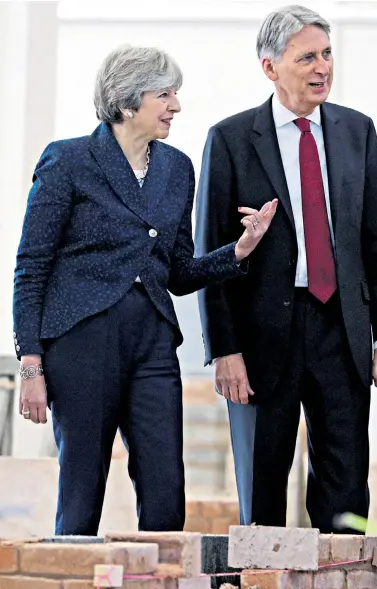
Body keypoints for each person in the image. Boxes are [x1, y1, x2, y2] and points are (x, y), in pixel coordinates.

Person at [12, 45, 277, 536]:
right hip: (80, 342)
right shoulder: (69, 160)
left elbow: (176, 272)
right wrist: (31, 362)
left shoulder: (177, 168)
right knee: (82, 490)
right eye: (165, 95)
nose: (176, 105)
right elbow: (31, 267)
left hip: (152, 341)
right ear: (128, 103)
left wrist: (237, 252)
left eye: (175, 94)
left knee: (165, 490)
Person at [195, 5, 377, 532]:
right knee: (262, 495)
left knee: (346, 498)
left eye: (328, 54)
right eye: (307, 57)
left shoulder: (358, 131)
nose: (323, 68)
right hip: (263, 342)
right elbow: (211, 256)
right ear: (270, 67)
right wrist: (224, 349)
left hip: (342, 330)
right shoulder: (231, 139)